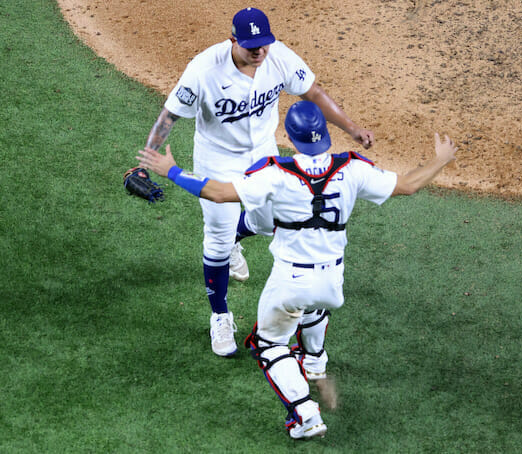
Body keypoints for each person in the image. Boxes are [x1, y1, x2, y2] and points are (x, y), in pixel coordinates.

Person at [136, 100, 458, 440]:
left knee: (270, 344)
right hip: (332, 281)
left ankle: (306, 415)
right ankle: (315, 364)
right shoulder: (352, 168)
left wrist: (171, 170)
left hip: (290, 281)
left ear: (289, 136)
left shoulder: (274, 173)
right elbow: (408, 185)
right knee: (312, 305)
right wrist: (440, 159)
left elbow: (217, 193)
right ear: (325, 137)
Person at [142, 7, 375, 357]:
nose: (259, 51)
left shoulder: (278, 57)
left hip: (262, 154)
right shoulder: (203, 69)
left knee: (272, 222)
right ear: (233, 39)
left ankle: (237, 237)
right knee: (217, 239)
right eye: (251, 45)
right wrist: (148, 159)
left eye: (264, 44)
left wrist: (353, 128)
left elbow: (313, 92)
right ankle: (219, 315)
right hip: (217, 158)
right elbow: (170, 115)